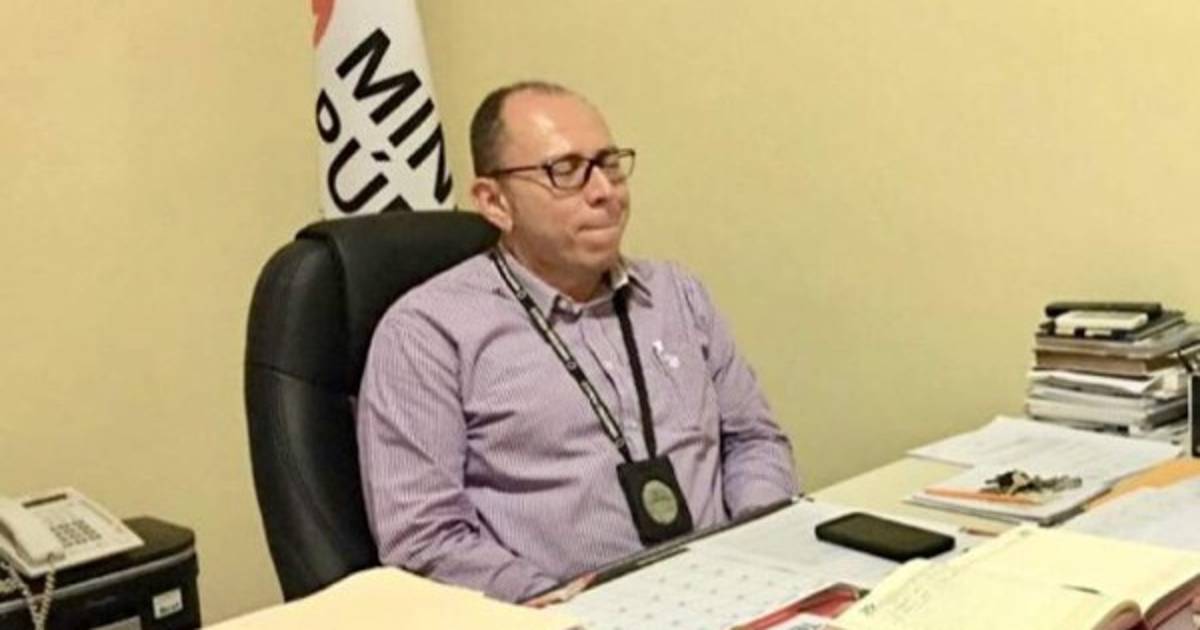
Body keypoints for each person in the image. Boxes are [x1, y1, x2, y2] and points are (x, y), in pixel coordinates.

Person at [356, 80, 797, 603]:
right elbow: (424, 536)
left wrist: (756, 544)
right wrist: (566, 607)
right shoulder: (427, 333)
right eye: (565, 171)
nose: (604, 191)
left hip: (736, 592)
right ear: (494, 202)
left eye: (609, 163)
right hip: (558, 611)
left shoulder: (677, 295)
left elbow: (753, 440)